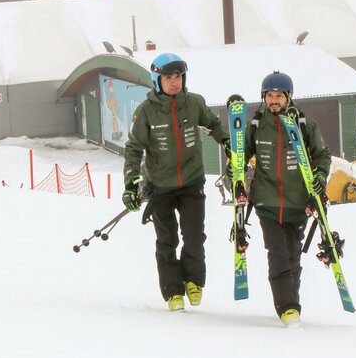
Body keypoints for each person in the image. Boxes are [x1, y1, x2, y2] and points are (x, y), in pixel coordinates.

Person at [122, 52, 230, 312]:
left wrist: (228, 143)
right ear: (157, 80)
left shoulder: (194, 103)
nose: (174, 82)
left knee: (194, 237)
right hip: (161, 186)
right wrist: (131, 184)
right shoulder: (146, 112)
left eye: (178, 76)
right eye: (168, 77)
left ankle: (193, 281)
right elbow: (134, 149)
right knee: (167, 240)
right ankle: (173, 291)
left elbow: (215, 126)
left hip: (192, 181)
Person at [245, 71, 332, 327]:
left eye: (279, 96)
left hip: (297, 203)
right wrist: (235, 169)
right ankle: (288, 307)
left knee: (293, 257)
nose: (274, 101)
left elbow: (323, 155)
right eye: (269, 96)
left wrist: (320, 177)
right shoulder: (256, 125)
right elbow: (241, 154)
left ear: (288, 97)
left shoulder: (305, 124)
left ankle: (290, 300)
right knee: (278, 254)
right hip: (266, 202)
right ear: (263, 97)